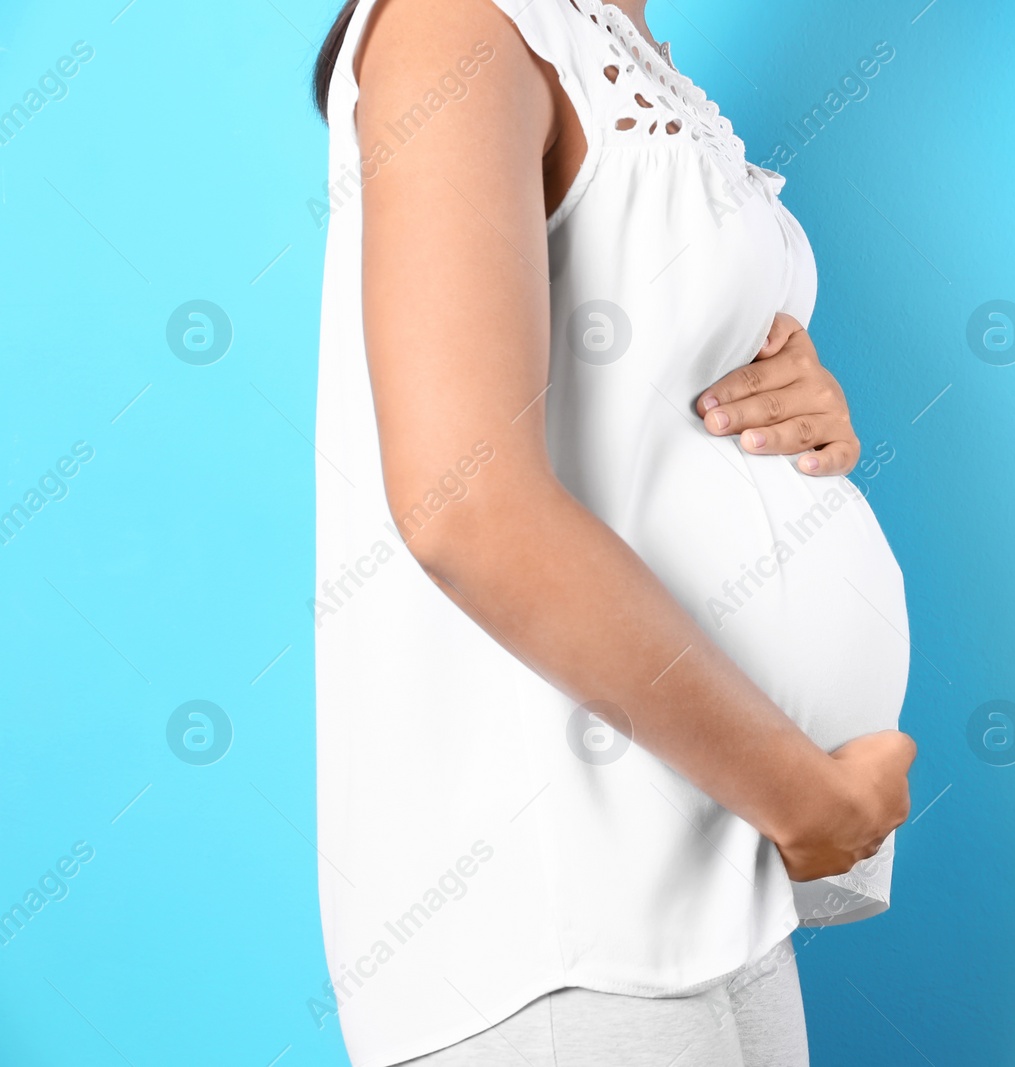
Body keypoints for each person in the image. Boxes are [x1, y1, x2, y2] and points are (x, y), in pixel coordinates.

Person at [310, 1, 915, 1063]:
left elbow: (641, 394)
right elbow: (467, 503)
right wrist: (802, 797)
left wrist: (798, 412)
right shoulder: (460, 24)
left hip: (708, 891)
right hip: (554, 921)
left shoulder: (619, 47)